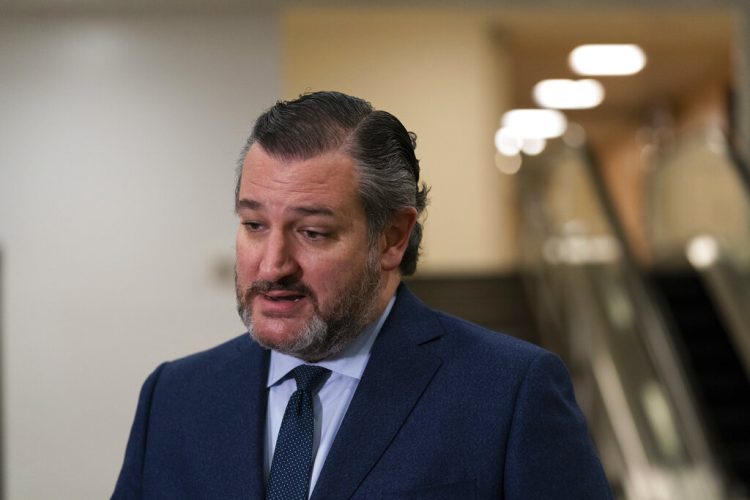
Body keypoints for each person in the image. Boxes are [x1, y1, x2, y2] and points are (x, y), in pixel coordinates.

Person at [112, 91, 613, 499]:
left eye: (312, 232)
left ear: (392, 237)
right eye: (254, 225)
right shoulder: (175, 397)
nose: (272, 264)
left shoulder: (509, 393)